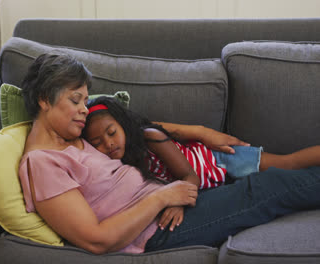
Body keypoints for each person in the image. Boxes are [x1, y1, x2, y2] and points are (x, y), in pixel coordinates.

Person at [18, 53, 320, 254]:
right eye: (76, 100)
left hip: (169, 206)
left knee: (265, 184)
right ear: (45, 99)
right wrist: (162, 197)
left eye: (85, 100)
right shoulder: (43, 163)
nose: (84, 109)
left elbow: (137, 127)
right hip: (159, 230)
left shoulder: (70, 136)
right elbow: (97, 240)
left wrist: (199, 132)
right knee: (268, 188)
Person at [82, 96, 320, 232]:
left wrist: (178, 203)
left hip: (222, 160)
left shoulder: (149, 137)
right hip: (217, 187)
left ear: (123, 125)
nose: (109, 144)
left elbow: (189, 175)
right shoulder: (117, 161)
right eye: (97, 143)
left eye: (112, 132)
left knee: (289, 164)